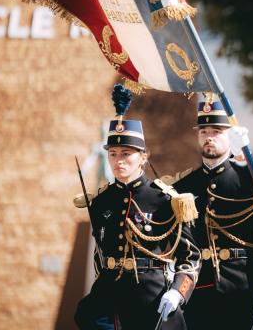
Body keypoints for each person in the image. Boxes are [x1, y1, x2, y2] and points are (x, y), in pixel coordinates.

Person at [74, 84, 200, 329]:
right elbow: (101, 256)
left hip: (151, 296)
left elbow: (191, 257)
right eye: (113, 154)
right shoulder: (101, 202)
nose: (119, 161)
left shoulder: (165, 199)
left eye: (126, 154)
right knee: (85, 315)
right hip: (108, 299)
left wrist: (177, 292)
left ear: (143, 156)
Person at [171, 93, 253, 329]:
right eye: (204, 132)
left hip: (244, 288)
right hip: (199, 292)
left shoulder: (249, 178)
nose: (209, 138)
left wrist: (246, 155)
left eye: (217, 132)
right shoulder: (183, 187)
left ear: (230, 136)